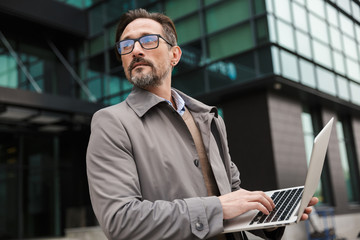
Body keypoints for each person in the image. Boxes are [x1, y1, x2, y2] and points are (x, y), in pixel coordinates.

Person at [86, 8, 318, 240]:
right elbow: (120, 221)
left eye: (147, 40)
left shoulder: (209, 118)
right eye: (126, 45)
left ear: (174, 55)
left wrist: (269, 215)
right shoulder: (112, 123)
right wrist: (217, 207)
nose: (135, 50)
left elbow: (232, 195)